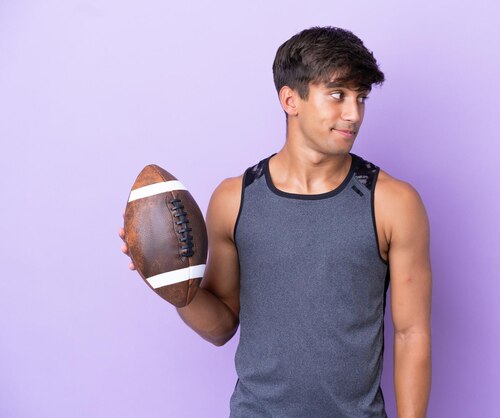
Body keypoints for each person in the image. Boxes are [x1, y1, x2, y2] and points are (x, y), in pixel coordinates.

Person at [119, 26, 431, 418]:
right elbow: (221, 327)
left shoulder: (393, 203)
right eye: (337, 95)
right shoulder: (235, 199)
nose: (353, 114)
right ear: (290, 99)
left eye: (361, 98)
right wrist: (171, 281)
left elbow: (411, 333)